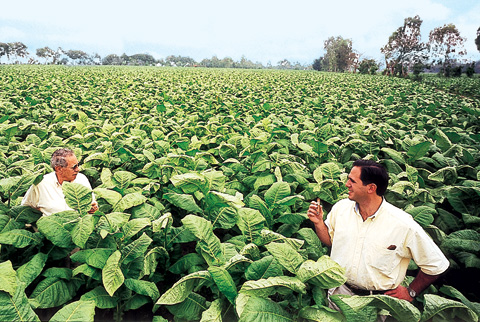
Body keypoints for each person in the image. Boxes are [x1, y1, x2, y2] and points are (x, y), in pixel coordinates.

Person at [308, 159, 449, 304]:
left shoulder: (402, 224)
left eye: (352, 181)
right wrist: (318, 222)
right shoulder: (341, 208)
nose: (347, 184)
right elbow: (330, 241)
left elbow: (436, 264)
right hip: (339, 295)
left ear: (371, 188)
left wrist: (411, 291)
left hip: (378, 302)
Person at [22, 148, 98, 216]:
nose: (78, 169)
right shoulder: (41, 184)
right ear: (59, 169)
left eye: (78, 165)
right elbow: (25, 209)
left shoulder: (82, 179)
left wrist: (92, 209)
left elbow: (92, 204)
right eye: (74, 167)